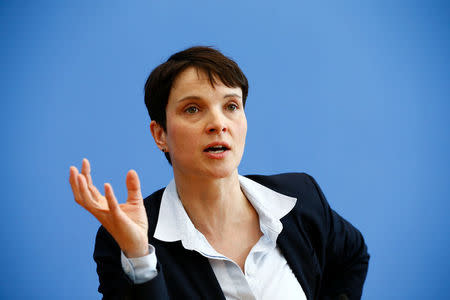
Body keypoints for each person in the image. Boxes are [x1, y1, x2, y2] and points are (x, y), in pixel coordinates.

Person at [69, 46, 369, 300]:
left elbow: (352, 257)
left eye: (231, 106)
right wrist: (140, 258)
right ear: (160, 134)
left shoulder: (299, 197)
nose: (218, 123)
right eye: (192, 109)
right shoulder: (127, 240)